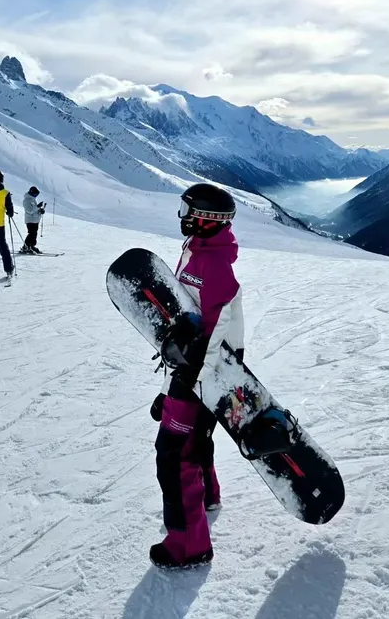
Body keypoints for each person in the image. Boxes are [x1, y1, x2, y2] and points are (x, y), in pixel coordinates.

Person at [149, 183, 244, 570]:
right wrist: (166, 387)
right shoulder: (194, 250)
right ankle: (206, 498)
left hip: (208, 370)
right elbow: (184, 325)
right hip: (193, 368)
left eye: (188, 209)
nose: (183, 215)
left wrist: (192, 381)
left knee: (173, 455)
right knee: (194, 441)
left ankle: (190, 545)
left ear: (208, 219)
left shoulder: (215, 265)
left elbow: (218, 330)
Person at [20, 186, 46, 254]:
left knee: (34, 234)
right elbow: (29, 210)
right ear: (31, 193)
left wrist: (40, 210)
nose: (36, 196)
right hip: (30, 220)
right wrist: (37, 207)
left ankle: (31, 246)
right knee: (31, 233)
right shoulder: (26, 200)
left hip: (35, 220)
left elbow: (34, 209)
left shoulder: (33, 199)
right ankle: (25, 247)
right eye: (35, 194)